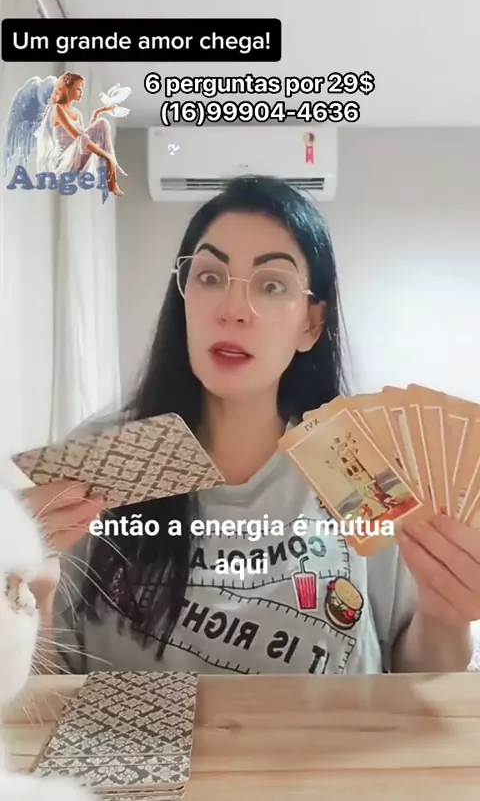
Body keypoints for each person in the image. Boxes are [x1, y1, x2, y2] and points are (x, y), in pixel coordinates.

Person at [24, 175, 477, 676]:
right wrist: (27, 591)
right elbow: (48, 689)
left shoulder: (364, 466)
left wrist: (446, 616)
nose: (233, 310)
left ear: (311, 323)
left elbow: (413, 674)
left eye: (272, 285)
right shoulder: (103, 458)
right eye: (210, 276)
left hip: (331, 732)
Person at [35, 71, 125, 196]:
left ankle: (109, 178)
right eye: (78, 88)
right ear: (67, 89)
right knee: (99, 128)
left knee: (102, 123)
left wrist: (98, 113)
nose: (81, 92)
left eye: (81, 88)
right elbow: (79, 137)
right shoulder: (57, 109)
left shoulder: (77, 113)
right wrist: (107, 156)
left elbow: (86, 138)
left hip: (76, 155)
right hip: (64, 160)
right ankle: (111, 179)